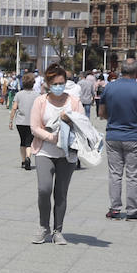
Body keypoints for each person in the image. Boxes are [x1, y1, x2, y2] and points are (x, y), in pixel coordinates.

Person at [28, 64, 85, 245]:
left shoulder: (74, 102)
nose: (59, 86)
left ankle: (58, 231)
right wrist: (52, 138)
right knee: (44, 189)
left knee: (61, 193)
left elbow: (83, 124)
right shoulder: (40, 101)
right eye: (55, 83)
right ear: (48, 84)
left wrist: (71, 123)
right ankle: (43, 226)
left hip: (67, 154)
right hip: (44, 151)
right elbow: (34, 127)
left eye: (62, 83)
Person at [101, 58, 137, 219]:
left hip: (113, 135)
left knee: (115, 174)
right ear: (136, 71)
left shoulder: (109, 87)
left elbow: (101, 113)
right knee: (133, 175)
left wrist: (114, 119)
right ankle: (132, 210)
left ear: (120, 70)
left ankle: (114, 208)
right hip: (135, 136)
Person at [9, 73, 39, 171]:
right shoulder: (37, 95)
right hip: (32, 122)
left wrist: (10, 120)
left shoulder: (19, 94)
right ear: (33, 84)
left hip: (20, 122)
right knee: (29, 142)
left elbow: (14, 108)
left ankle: (23, 161)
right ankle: (28, 157)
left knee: (22, 141)